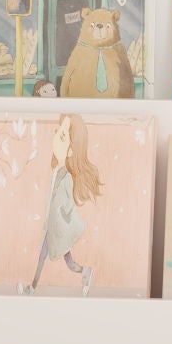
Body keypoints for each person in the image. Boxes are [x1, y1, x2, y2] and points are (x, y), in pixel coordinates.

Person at [28, 115, 102, 293]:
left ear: (71, 151)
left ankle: (32, 288)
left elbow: (67, 202)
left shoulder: (67, 177)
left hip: (60, 228)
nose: (55, 137)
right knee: (55, 259)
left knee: (49, 258)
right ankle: (84, 272)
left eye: (62, 136)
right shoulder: (56, 170)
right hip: (52, 227)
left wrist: (60, 213)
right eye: (57, 131)